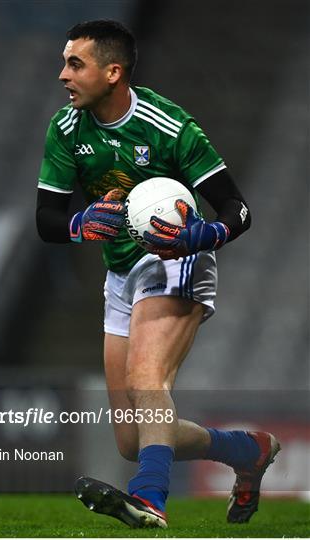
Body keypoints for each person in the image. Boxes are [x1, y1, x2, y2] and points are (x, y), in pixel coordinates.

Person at [36, 20, 280, 529]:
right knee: (132, 437)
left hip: (177, 260)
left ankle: (150, 499)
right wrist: (80, 224)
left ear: (113, 72)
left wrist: (204, 235)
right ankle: (246, 449)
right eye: (65, 62)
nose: (63, 74)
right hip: (122, 273)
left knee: (148, 379)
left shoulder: (170, 126)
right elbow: (48, 220)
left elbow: (237, 208)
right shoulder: (65, 129)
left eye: (74, 64)